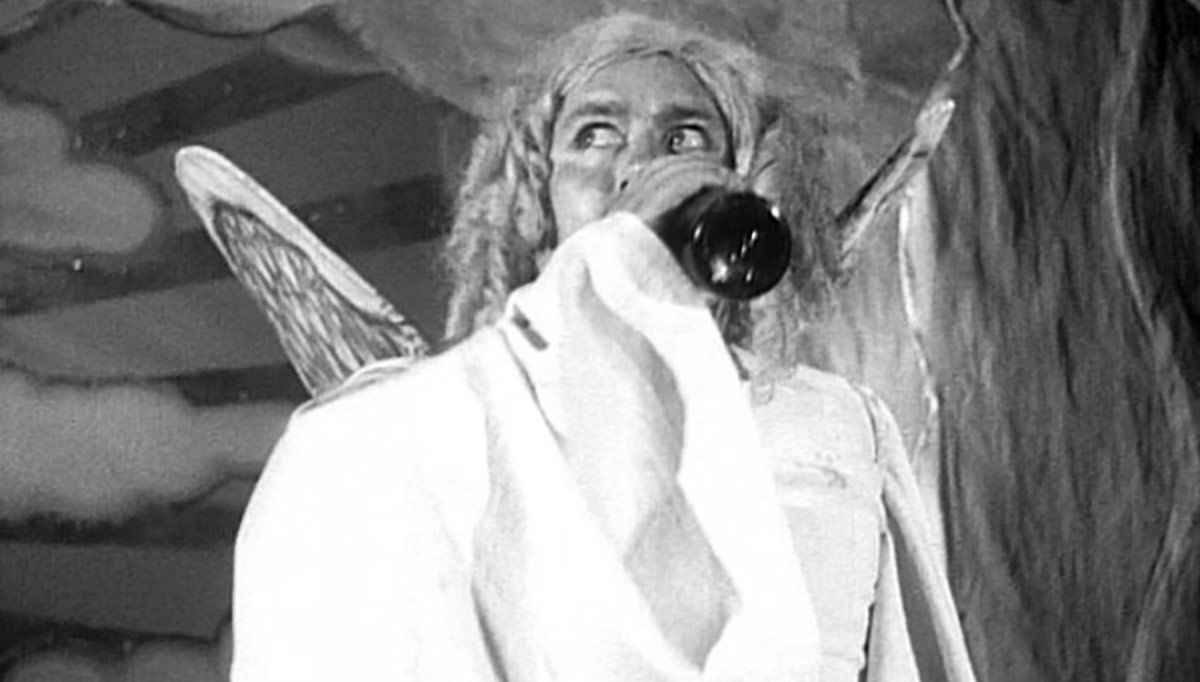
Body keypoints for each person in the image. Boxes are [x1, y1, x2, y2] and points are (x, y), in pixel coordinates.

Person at [230, 11, 976, 682]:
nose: (639, 166)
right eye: (594, 134)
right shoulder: (418, 420)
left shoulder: (838, 422)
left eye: (684, 139)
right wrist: (614, 273)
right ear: (535, 200)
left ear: (742, 183)